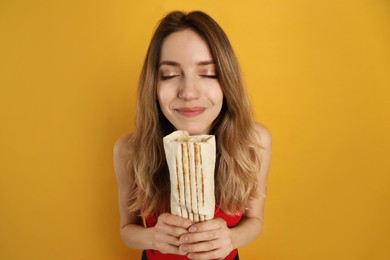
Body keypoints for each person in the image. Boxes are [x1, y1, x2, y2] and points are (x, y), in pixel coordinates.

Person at [113, 10, 272, 260]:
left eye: (208, 73)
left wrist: (230, 238)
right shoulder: (130, 149)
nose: (188, 92)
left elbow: (255, 220)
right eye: (170, 75)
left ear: (226, 81)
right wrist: (153, 237)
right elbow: (126, 230)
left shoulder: (254, 142)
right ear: (153, 85)